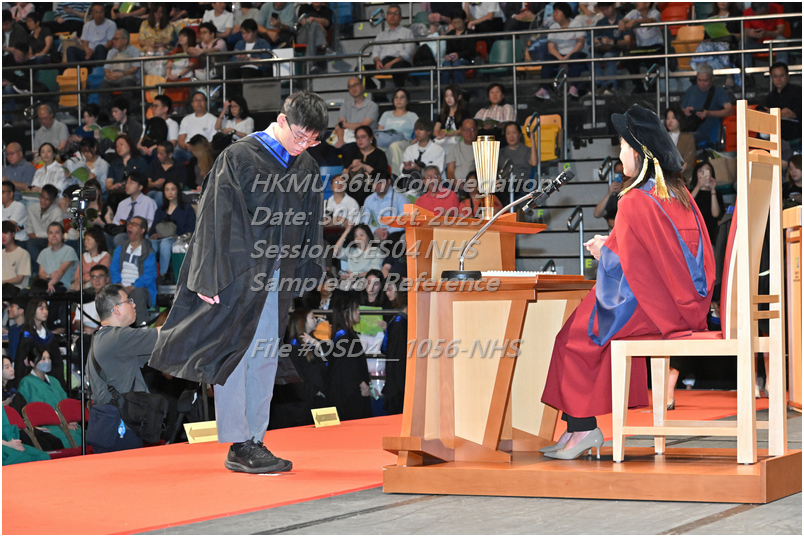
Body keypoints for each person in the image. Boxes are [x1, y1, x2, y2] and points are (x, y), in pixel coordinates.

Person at [149, 91, 328, 474]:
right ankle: (238, 441)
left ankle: (255, 440)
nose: (303, 145)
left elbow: (311, 220)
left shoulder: (306, 166)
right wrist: (208, 275)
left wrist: (309, 268)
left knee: (264, 356)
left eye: (312, 140)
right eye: (300, 136)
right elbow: (214, 218)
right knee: (235, 353)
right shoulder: (240, 157)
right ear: (281, 121)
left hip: (279, 274)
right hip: (238, 272)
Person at [540, 104, 716, 460]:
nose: (619, 155)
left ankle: (583, 428)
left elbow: (630, 266)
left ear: (638, 153)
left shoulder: (634, 198)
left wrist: (603, 251)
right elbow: (662, 255)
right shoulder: (679, 194)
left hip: (655, 307)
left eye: (622, 147)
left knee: (575, 336)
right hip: (683, 304)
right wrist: (612, 246)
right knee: (578, 329)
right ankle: (574, 427)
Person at [87, 284, 162, 452]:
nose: (134, 305)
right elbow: (163, 334)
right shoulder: (117, 338)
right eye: (129, 301)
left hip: (109, 425)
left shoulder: (102, 338)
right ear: (117, 309)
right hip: (120, 428)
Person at [17, 346, 82, 449]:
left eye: (49, 358)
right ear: (32, 363)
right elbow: (35, 410)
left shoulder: (54, 380)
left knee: (87, 434)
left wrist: (71, 419)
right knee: (73, 437)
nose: (47, 361)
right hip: (48, 426)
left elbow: (65, 402)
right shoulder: (27, 382)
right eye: (43, 359)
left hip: (66, 423)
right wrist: (62, 421)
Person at [322, 290, 373, 420]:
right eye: (355, 310)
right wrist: (364, 386)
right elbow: (348, 365)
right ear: (346, 313)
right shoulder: (344, 336)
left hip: (346, 390)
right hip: (347, 394)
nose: (358, 312)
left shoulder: (345, 334)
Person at [109, 216, 157, 326]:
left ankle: (142, 327)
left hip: (139, 288)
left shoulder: (148, 251)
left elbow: (150, 275)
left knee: (137, 293)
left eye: (134, 224)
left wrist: (133, 286)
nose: (129, 226)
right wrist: (118, 284)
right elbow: (113, 268)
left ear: (142, 230)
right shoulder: (121, 248)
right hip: (120, 285)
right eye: (129, 223)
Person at [535, 3, 587, 101]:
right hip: (560, 55)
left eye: (557, 12)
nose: (554, 15)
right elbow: (551, 48)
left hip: (575, 52)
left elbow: (580, 44)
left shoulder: (576, 24)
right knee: (547, 59)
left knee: (576, 57)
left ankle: (574, 88)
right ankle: (544, 89)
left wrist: (566, 58)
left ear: (565, 13)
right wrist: (561, 59)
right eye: (554, 12)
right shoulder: (553, 27)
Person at [148, 179, 196, 284]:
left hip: (178, 238)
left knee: (165, 244)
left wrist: (176, 234)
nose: (170, 192)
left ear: (178, 191)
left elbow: (190, 228)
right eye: (167, 190)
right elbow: (153, 228)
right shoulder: (161, 209)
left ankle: (162, 274)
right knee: (150, 244)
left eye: (173, 189)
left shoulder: (186, 208)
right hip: (160, 237)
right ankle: (149, 273)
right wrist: (153, 234)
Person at [14, 298, 65, 389]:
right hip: (32, 383)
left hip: (50, 380)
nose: (45, 311)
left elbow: (57, 363)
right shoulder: (27, 336)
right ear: (33, 311)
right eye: (41, 308)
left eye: (46, 308)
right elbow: (20, 364)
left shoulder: (49, 336)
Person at [681, 63, 734, 147]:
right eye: (699, 80)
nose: (702, 83)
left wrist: (709, 113)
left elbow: (730, 110)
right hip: (690, 128)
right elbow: (680, 110)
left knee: (685, 139)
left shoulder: (718, 91)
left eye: (705, 81)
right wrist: (685, 111)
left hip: (709, 132)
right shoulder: (691, 90)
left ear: (712, 79)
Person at [364, 4, 414, 89]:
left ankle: (399, 92)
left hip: (399, 62)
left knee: (398, 68)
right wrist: (377, 61)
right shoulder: (381, 35)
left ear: (401, 17)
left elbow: (408, 52)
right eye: (390, 13)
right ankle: (376, 93)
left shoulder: (407, 32)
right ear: (386, 17)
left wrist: (391, 63)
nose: (392, 16)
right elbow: (375, 51)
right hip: (383, 63)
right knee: (360, 69)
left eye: (396, 13)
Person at [619, 2, 663, 93]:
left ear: (647, 3)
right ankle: (638, 85)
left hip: (656, 47)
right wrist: (622, 23)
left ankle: (653, 87)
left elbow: (651, 20)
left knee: (651, 60)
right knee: (628, 59)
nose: (637, 2)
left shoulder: (655, 12)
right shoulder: (634, 12)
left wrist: (635, 21)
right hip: (641, 48)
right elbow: (624, 20)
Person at [341, 126, 388, 206]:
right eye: (357, 137)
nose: (360, 140)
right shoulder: (352, 154)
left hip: (373, 189)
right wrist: (351, 166)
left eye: (363, 137)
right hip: (353, 189)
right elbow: (344, 175)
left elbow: (383, 176)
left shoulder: (379, 154)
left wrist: (364, 166)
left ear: (371, 138)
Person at [331, 77, 379, 150]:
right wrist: (340, 140)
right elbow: (340, 127)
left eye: (355, 85)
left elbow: (363, 127)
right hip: (345, 139)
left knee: (349, 148)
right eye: (350, 87)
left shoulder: (372, 106)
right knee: (325, 147)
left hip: (363, 140)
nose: (353, 88)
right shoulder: (345, 106)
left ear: (362, 86)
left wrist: (344, 124)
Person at [99, 29, 142, 107]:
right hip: (112, 77)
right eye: (113, 39)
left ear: (125, 40)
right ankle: (104, 111)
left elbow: (135, 68)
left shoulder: (135, 51)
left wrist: (122, 74)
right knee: (103, 86)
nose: (113, 41)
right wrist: (108, 75)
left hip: (127, 77)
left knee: (127, 85)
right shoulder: (111, 52)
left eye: (116, 39)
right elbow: (107, 68)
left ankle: (127, 110)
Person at [381, 288, 407, 415]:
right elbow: (397, 361)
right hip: (398, 386)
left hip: (398, 384)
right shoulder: (399, 324)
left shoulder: (399, 322)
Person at [25, 185, 62, 275]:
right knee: (23, 245)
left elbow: (55, 234)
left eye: (47, 199)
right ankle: (42, 272)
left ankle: (41, 273)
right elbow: (29, 231)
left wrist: (48, 251)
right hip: (35, 238)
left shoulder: (56, 211)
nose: (43, 201)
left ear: (53, 201)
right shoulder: (32, 208)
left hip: (51, 240)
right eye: (42, 197)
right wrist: (36, 239)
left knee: (31, 244)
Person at [593, 3, 629, 94]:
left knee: (608, 56)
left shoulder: (622, 20)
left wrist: (611, 41)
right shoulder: (600, 22)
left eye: (607, 8)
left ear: (614, 5)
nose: (605, 12)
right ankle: (599, 85)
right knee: (591, 57)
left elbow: (627, 42)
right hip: (602, 49)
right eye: (602, 10)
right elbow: (595, 39)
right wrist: (598, 41)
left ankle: (611, 85)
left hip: (618, 49)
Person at [763, 62, 801, 143]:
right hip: (775, 134)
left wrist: (772, 113)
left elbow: (791, 114)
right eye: (775, 76)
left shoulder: (798, 92)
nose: (778, 80)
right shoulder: (770, 97)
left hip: (795, 133)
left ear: (787, 75)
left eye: (781, 76)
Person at [361, 175, 407, 242]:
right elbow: (364, 221)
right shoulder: (369, 199)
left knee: (394, 238)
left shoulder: (401, 198)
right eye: (374, 183)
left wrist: (388, 231)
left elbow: (405, 221)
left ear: (388, 181)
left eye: (380, 182)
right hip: (374, 234)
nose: (377, 185)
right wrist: (375, 230)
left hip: (395, 234)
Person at [689, 161, 725, 246]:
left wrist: (713, 190)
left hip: (711, 234)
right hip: (694, 233)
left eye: (707, 170)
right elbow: (686, 205)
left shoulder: (717, 194)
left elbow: (715, 214)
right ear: (696, 174)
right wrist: (698, 186)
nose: (704, 173)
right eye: (701, 171)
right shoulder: (690, 192)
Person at [176, 92, 218, 163]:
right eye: (196, 100)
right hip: (188, 150)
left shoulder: (213, 120)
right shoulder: (186, 119)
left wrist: (198, 148)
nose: (199, 102)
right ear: (192, 104)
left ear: (206, 102)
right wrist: (186, 146)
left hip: (204, 151)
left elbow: (213, 141)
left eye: (201, 100)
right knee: (176, 153)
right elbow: (181, 139)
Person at [37, 222, 78, 292]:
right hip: (46, 286)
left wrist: (51, 283)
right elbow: (41, 274)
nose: (54, 235)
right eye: (51, 233)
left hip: (64, 287)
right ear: (48, 236)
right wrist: (49, 276)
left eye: (57, 232)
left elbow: (61, 272)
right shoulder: (43, 253)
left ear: (62, 235)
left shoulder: (69, 251)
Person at [440, 9, 476, 85]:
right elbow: (448, 50)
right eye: (454, 22)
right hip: (452, 59)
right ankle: (444, 89)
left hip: (467, 59)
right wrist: (449, 56)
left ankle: (459, 88)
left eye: (459, 22)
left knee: (457, 64)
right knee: (445, 65)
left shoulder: (470, 33)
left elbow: (471, 50)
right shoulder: (450, 34)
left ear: (464, 21)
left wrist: (459, 55)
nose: (456, 24)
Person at [499, 122, 534, 198]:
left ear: (519, 134)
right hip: (504, 184)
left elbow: (534, 163)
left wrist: (533, 141)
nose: (511, 136)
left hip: (521, 184)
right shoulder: (501, 152)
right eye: (508, 133)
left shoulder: (527, 150)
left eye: (514, 133)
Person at [74, 264, 110, 334]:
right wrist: (85, 328)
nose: (97, 280)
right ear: (90, 280)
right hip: (85, 334)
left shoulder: (113, 298)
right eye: (94, 277)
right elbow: (77, 322)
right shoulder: (83, 297)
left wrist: (98, 330)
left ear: (107, 279)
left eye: (101, 276)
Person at [296, 2, 333, 69]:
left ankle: (310, 64)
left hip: (314, 38)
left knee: (313, 30)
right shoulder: (304, 8)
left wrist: (313, 19)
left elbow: (327, 23)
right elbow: (303, 22)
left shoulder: (327, 10)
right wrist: (319, 24)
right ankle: (324, 46)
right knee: (314, 25)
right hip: (302, 37)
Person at [665, 106, 696, 182]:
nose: (670, 121)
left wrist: (673, 177)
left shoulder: (687, 138)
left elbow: (687, 162)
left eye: (673, 118)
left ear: (679, 119)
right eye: (667, 118)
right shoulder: (663, 137)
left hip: (682, 178)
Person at [446, 118, 478, 186]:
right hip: (457, 185)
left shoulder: (481, 149)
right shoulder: (454, 148)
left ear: (476, 130)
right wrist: (455, 184)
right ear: (460, 130)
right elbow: (450, 171)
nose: (469, 133)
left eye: (472, 129)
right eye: (466, 129)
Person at [592, 161, 624, 230]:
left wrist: (623, 190)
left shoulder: (636, 192)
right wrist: (609, 193)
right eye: (617, 173)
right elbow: (597, 213)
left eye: (622, 173)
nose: (620, 176)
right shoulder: (613, 198)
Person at [433, 85, 467, 150]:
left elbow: (462, 130)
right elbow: (435, 130)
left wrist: (447, 134)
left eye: (452, 96)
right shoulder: (443, 114)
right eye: (446, 96)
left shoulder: (464, 113)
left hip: (458, 142)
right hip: (443, 142)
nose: (448, 99)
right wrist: (439, 133)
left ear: (459, 97)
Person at [2, 220, 30, 289]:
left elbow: (19, 279)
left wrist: (2, 282)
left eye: (5, 233)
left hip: (16, 290)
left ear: (13, 234)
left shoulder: (23, 253)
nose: (2, 236)